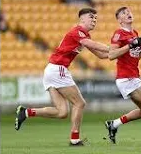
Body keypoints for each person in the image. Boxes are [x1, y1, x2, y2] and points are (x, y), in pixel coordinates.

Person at [14, 8, 110, 146]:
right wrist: (112, 48)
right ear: (81, 19)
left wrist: (120, 53)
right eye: (91, 17)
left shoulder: (84, 36)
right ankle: (75, 139)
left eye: (96, 18)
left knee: (62, 112)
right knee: (79, 103)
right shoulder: (78, 31)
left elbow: (100, 55)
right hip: (58, 69)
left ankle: (26, 112)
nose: (94, 20)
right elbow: (93, 45)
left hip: (51, 70)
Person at [104, 7, 141, 146]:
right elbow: (111, 55)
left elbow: (134, 57)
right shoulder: (119, 33)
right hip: (127, 77)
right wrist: (130, 45)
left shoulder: (135, 33)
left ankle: (114, 124)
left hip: (131, 77)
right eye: (124, 13)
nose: (128, 14)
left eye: (129, 12)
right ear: (119, 20)